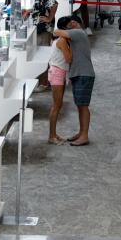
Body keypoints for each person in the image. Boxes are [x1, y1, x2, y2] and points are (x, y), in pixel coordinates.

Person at [52, 15, 94, 146]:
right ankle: (82, 133)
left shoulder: (77, 33)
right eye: (70, 23)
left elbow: (55, 32)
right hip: (79, 73)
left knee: (83, 106)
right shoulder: (74, 36)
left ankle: (84, 135)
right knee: (80, 105)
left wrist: (65, 31)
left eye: (74, 22)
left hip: (83, 74)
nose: (73, 23)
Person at [47, 17, 71, 145]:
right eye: (70, 25)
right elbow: (68, 59)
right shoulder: (62, 41)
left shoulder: (62, 40)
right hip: (57, 73)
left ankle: (54, 134)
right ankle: (51, 136)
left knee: (59, 104)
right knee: (56, 105)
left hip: (59, 72)